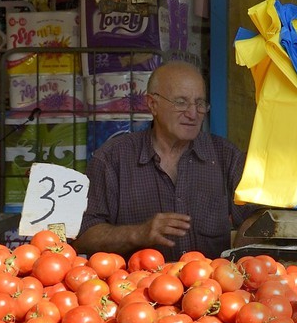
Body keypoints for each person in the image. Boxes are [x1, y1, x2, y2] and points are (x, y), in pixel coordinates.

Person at [77, 60, 251, 259]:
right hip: (135, 287)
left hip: (210, 287)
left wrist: (236, 264)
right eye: (181, 102)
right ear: (152, 104)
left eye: (200, 103)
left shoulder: (225, 156)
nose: (193, 113)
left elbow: (258, 220)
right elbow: (83, 236)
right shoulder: (113, 159)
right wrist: (138, 234)